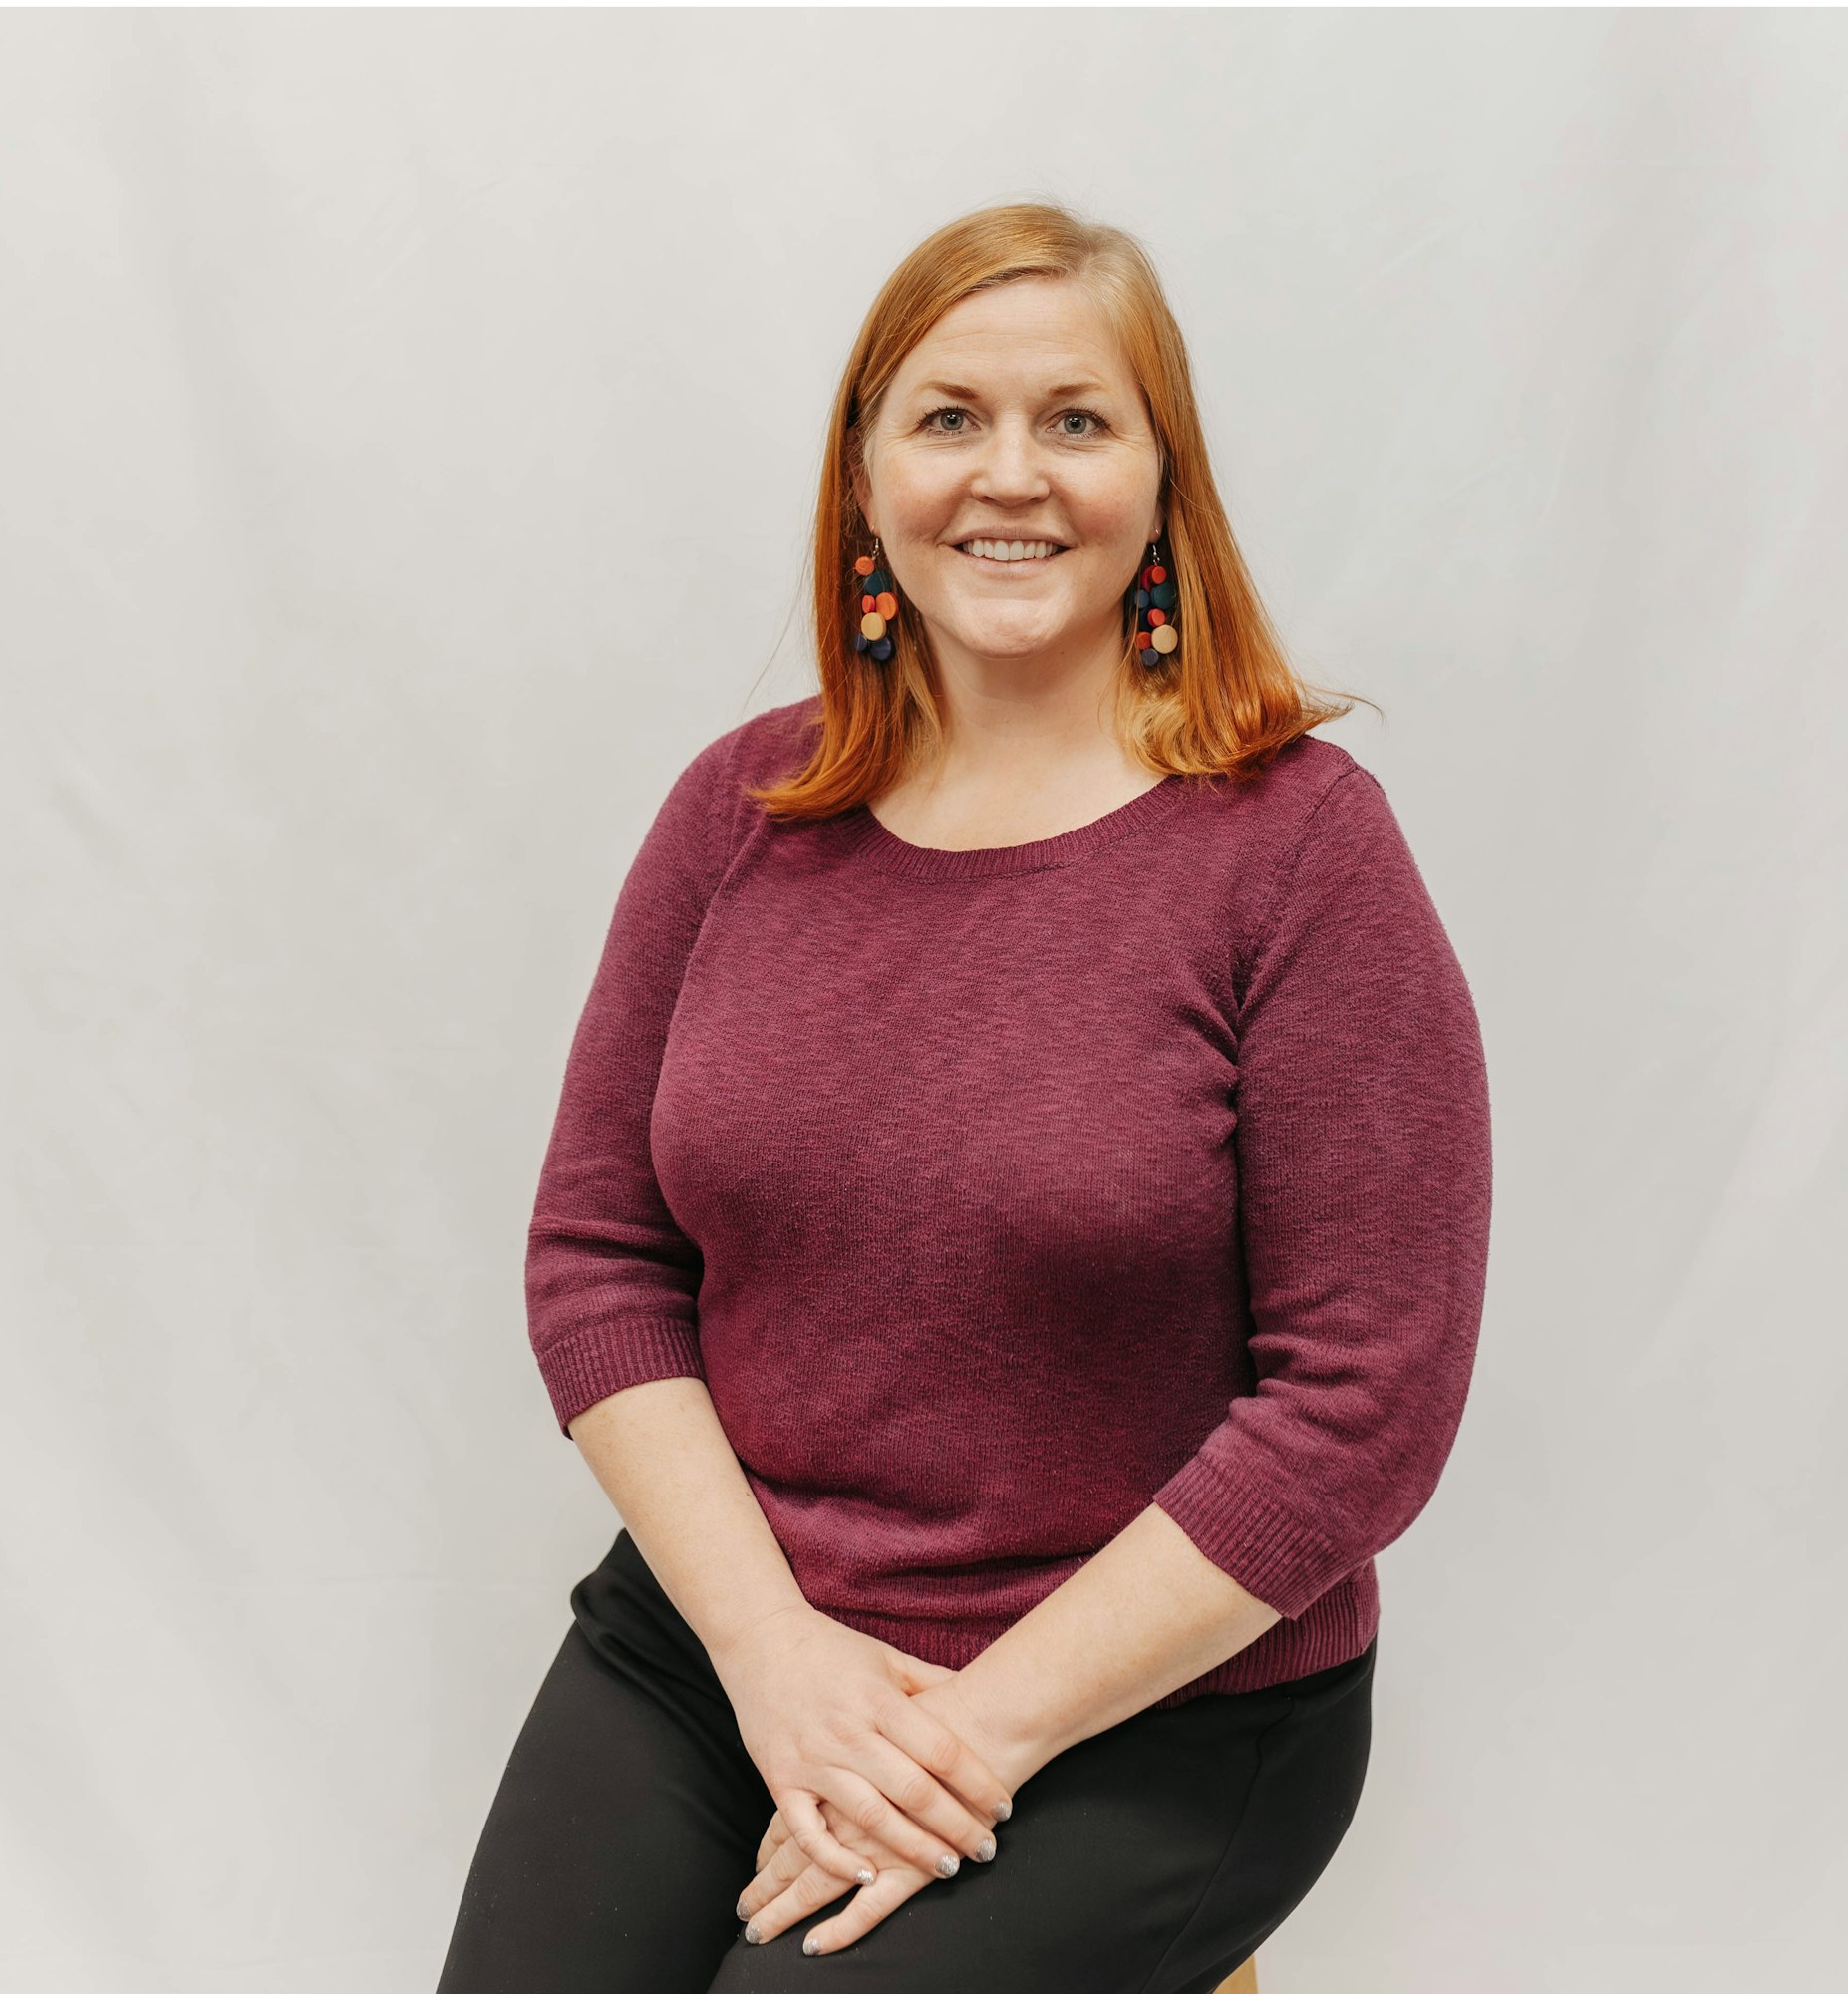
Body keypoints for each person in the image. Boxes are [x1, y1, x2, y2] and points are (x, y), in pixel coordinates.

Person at [434, 200, 1492, 1994]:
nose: (1011, 475)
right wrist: (775, 1661)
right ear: (865, 479)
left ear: (1165, 486)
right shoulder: (739, 811)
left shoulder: (1299, 850)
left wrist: (967, 1741)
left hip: (1150, 1719)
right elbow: (599, 1263)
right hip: (731, 1649)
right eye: (948, 418)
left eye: (1077, 420)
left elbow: (1362, 1405)